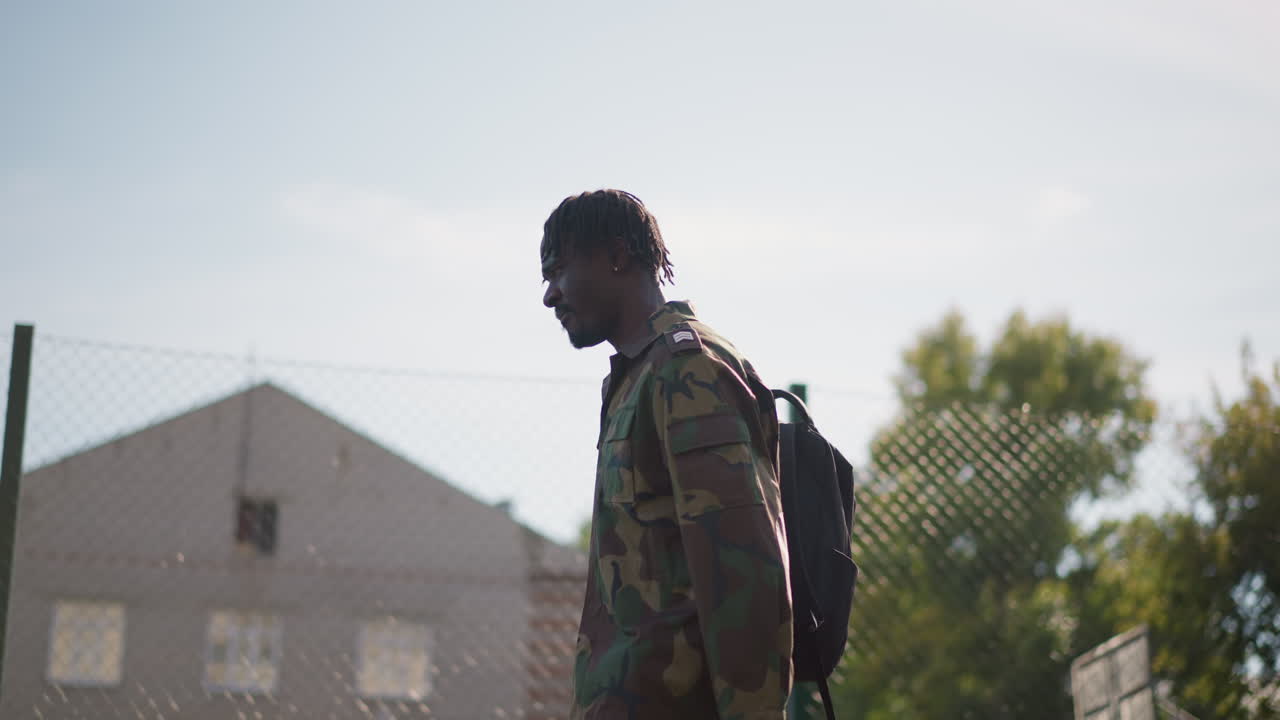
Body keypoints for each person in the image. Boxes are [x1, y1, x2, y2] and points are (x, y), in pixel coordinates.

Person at [540, 189, 793, 719]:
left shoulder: (688, 370)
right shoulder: (640, 377)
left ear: (617, 255)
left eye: (559, 270)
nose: (549, 295)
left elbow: (742, 569)